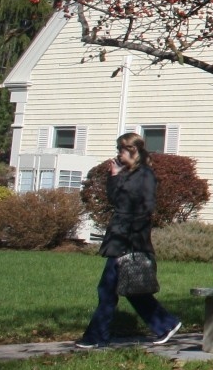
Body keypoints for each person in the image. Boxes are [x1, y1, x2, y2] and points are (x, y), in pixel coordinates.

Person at [76, 132, 183, 349]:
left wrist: (130, 241)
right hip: (119, 236)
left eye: (120, 150)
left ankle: (96, 337)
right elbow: (116, 200)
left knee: (108, 290)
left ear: (131, 150)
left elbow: (144, 209)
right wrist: (114, 176)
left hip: (128, 240)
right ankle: (165, 324)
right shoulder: (128, 174)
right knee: (129, 290)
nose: (117, 154)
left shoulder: (145, 176)